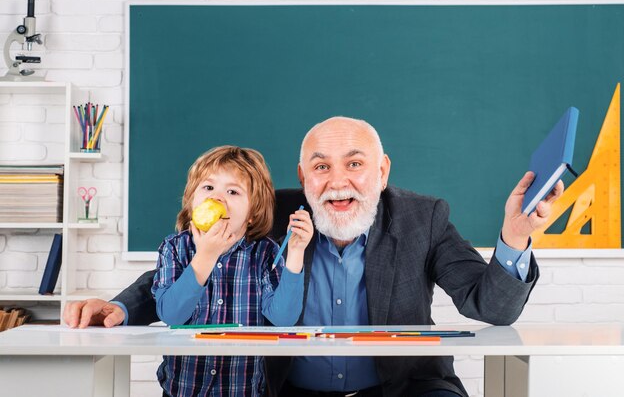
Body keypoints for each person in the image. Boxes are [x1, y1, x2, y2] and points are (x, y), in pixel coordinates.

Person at [64, 117, 563, 397]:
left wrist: (515, 238)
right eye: (321, 166)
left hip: (405, 391)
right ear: (303, 178)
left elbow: (492, 307)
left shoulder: (422, 217)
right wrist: (121, 307)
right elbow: (189, 268)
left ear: (382, 171)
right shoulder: (264, 211)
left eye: (355, 164)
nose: (338, 180)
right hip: (288, 394)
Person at [152, 146, 313, 397]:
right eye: (208, 188)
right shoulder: (174, 248)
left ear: (252, 213)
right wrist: (205, 255)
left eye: (233, 191)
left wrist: (295, 253)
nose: (217, 198)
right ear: (191, 200)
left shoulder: (266, 254)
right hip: (182, 390)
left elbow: (283, 318)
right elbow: (171, 314)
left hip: (243, 390)